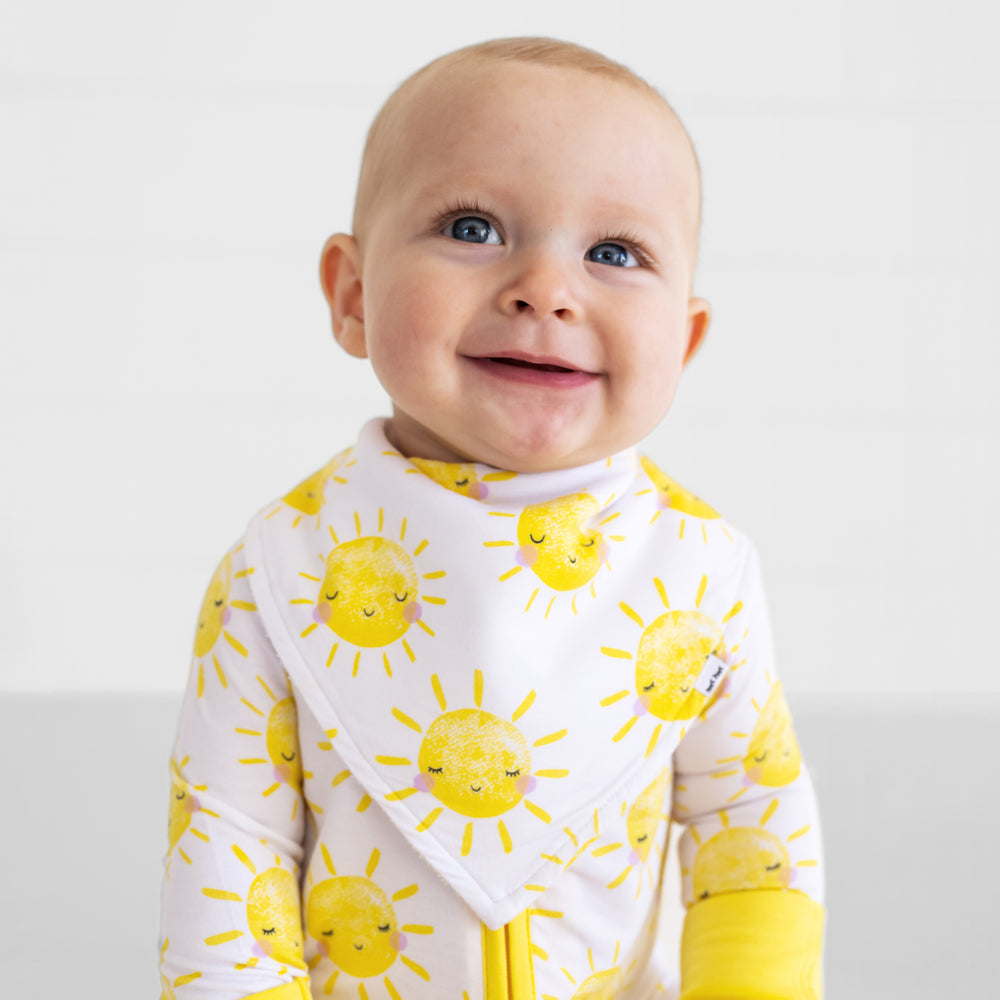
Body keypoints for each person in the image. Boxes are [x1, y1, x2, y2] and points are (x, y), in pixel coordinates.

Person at [159, 36, 825, 1000]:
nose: (545, 291)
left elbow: (751, 825)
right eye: (473, 228)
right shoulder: (282, 572)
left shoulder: (695, 575)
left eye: (613, 252)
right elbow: (227, 852)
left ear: (682, 342)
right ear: (352, 296)